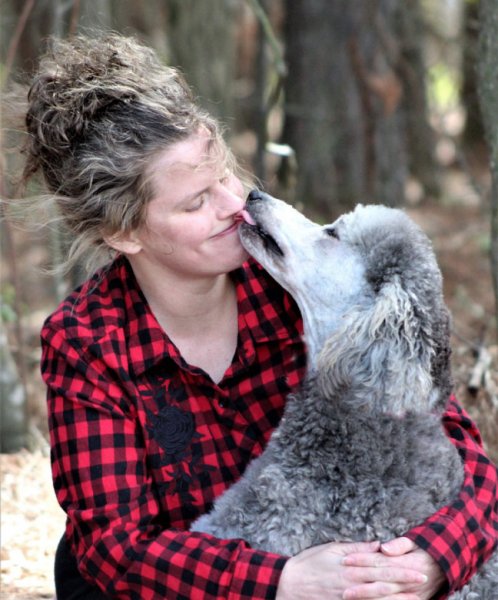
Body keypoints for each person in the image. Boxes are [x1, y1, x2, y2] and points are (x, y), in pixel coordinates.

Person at [20, 33, 497, 599]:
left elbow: (457, 449)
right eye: (196, 202)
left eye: (225, 175)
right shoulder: (86, 342)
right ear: (122, 233)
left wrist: (433, 559)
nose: (234, 205)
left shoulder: (299, 282)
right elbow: (114, 547)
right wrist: (282, 582)